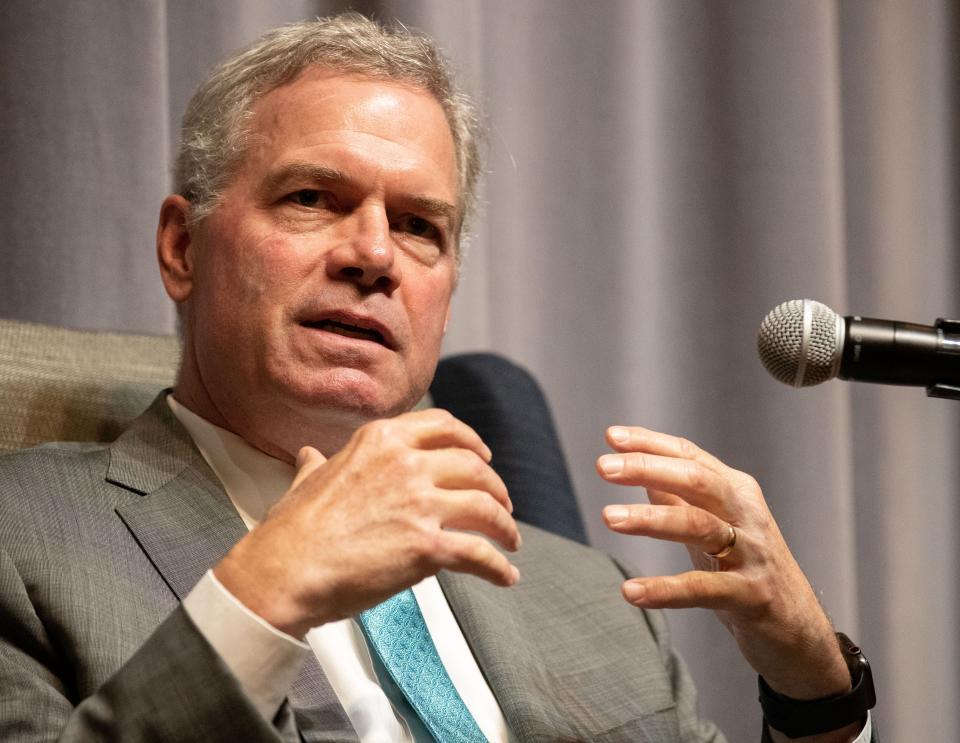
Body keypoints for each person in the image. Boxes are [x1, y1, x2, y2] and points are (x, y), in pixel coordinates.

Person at [0, 13, 874, 742]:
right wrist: (268, 585)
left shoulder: (602, 603)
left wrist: (816, 692)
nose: (375, 255)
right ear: (183, 247)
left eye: (420, 224)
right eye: (311, 198)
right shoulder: (23, 542)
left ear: (447, 295)